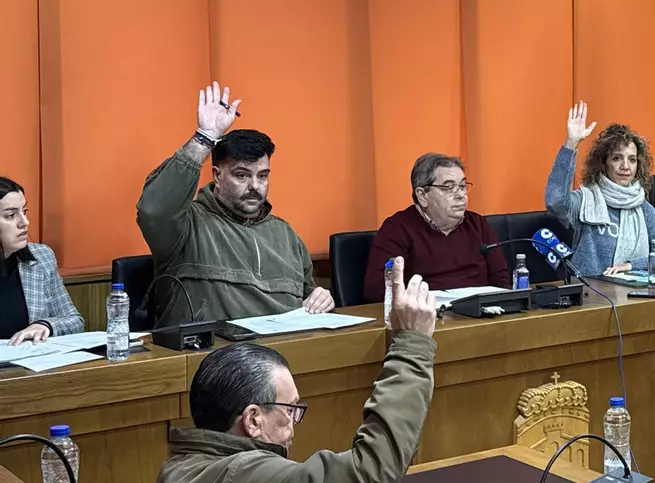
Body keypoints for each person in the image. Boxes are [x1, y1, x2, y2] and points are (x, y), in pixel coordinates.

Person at [158, 257, 437, 483]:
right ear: (253, 420)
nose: (295, 423)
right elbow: (369, 472)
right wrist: (412, 343)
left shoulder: (181, 465)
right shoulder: (246, 473)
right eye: (290, 409)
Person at [137, 83, 334, 326]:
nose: (255, 186)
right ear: (217, 176)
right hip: (213, 348)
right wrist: (204, 138)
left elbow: (308, 301)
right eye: (242, 175)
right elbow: (154, 209)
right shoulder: (187, 226)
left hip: (282, 346)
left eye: (263, 176)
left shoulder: (286, 235)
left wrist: (320, 300)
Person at [545, 101, 655, 277]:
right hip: (590, 291)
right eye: (617, 158)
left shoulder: (643, 208)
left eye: (632, 160)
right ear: (603, 163)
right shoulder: (585, 200)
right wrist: (571, 143)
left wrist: (632, 265)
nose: (625, 166)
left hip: (632, 291)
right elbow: (555, 201)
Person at [364, 153, 509, 299]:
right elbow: (377, 289)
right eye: (449, 187)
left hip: (480, 310)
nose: (460, 195)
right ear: (422, 195)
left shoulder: (478, 224)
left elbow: (501, 281)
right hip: (426, 311)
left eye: (462, 186)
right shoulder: (397, 229)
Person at [0, 177, 85, 344]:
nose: (25, 222)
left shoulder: (41, 257)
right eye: (11, 215)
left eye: (24, 211)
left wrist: (45, 325)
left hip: (31, 359)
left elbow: (74, 320)